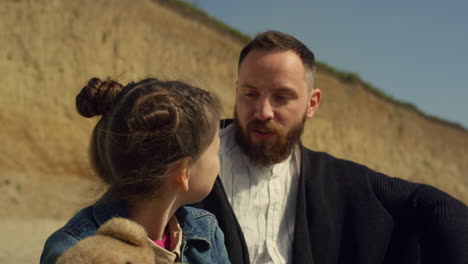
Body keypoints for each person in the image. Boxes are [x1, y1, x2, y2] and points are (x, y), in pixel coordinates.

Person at [194, 30, 468, 264]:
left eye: (281, 97)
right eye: (250, 94)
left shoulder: (337, 181)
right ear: (236, 89)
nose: (263, 111)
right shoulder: (188, 157)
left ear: (312, 103)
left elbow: (429, 205)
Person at [40, 77, 230, 264]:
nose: (218, 159)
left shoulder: (206, 231)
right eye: (216, 149)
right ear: (184, 171)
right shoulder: (75, 252)